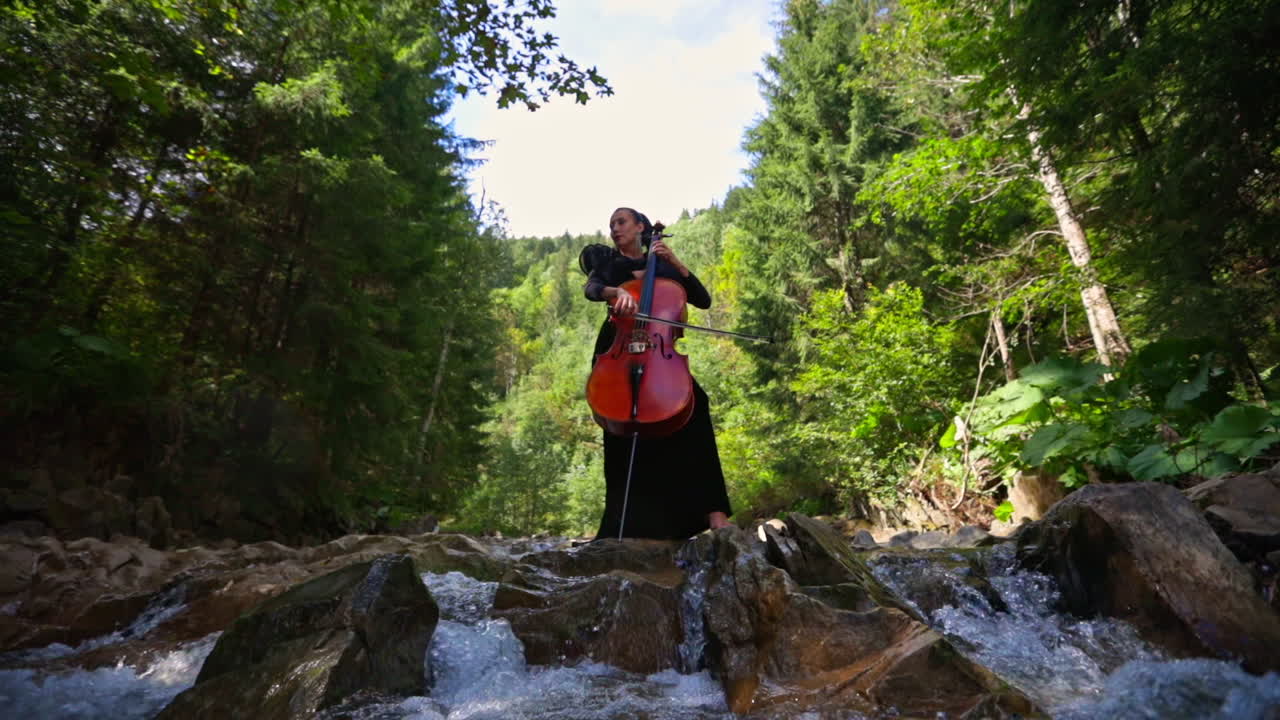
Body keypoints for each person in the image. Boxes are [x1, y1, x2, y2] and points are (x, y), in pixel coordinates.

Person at [579, 207, 733, 540]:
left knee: (695, 407)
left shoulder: (662, 266)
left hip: (659, 352)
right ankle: (621, 525)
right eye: (611, 225)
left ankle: (715, 512)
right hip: (618, 349)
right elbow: (591, 289)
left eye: (621, 222)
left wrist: (677, 263)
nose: (614, 229)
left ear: (640, 227)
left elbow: (702, 300)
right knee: (619, 426)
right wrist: (615, 292)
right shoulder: (609, 265)